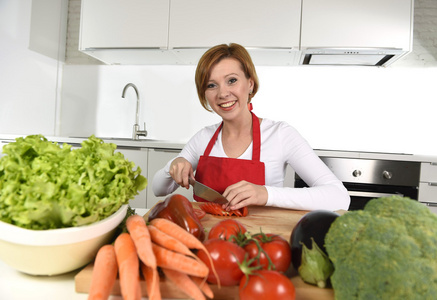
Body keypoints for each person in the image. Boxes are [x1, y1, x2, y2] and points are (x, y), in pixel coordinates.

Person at [152, 43, 350, 211]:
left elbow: (340, 197)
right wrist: (173, 166)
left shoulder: (280, 134)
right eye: (211, 85)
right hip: (209, 243)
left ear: (250, 84)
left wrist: (266, 193)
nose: (222, 93)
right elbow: (158, 189)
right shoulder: (203, 138)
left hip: (260, 243)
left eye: (232, 80)